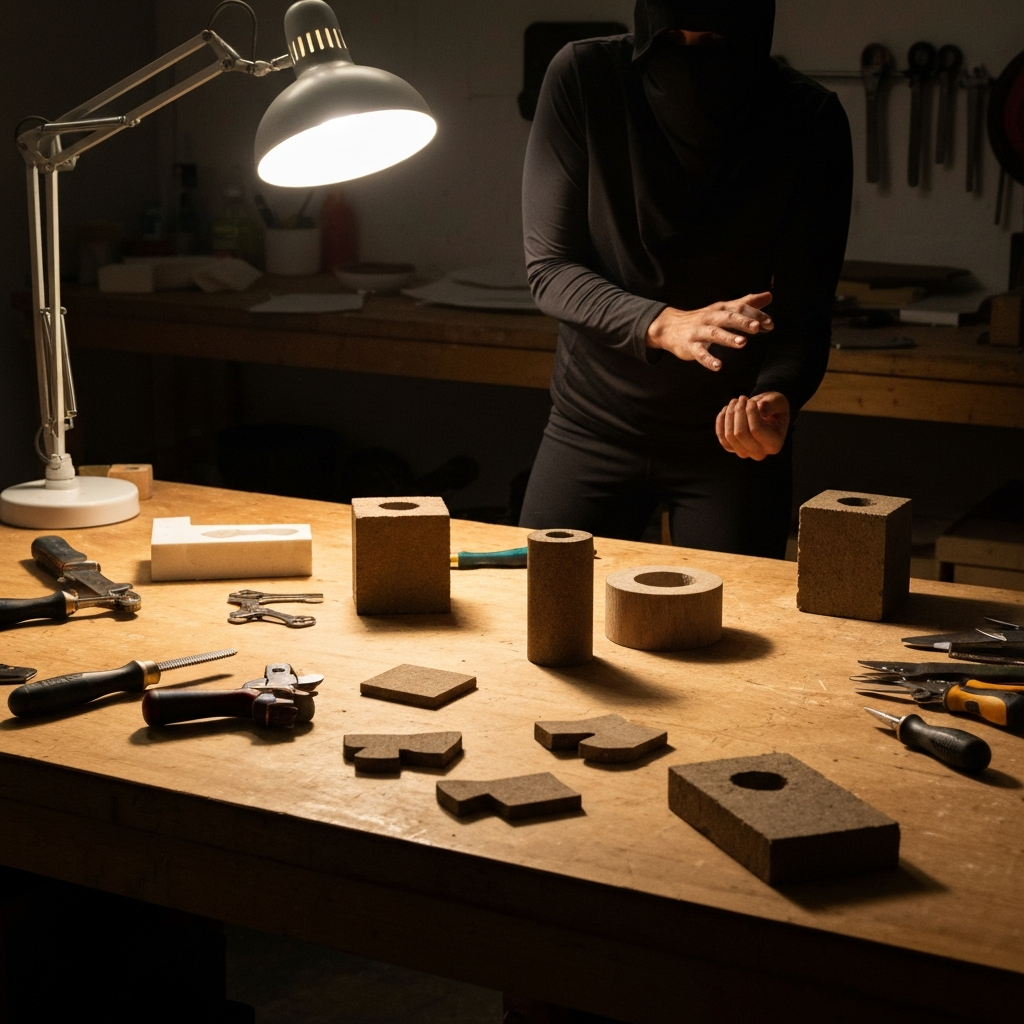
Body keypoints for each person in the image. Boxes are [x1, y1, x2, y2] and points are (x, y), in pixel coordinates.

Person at [518, 0, 852, 558]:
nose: (691, 59)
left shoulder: (807, 117)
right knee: (542, 607)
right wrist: (664, 323)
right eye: (672, 39)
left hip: (730, 441)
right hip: (592, 425)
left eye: (715, 41)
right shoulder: (584, 77)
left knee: (742, 628)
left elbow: (806, 309)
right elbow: (550, 269)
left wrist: (777, 397)